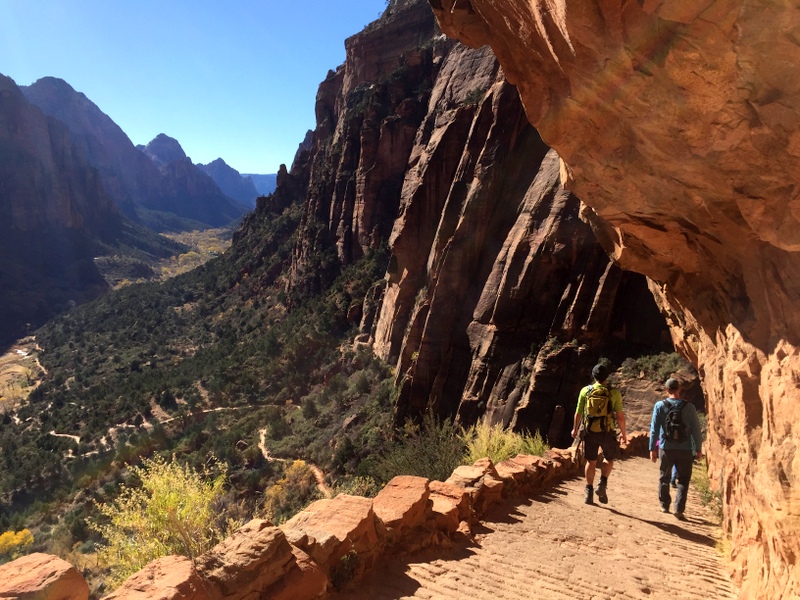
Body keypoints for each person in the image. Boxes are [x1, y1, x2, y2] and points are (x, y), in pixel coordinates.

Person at [571, 363, 627, 505]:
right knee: (609, 458)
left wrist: (575, 429)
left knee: (591, 461)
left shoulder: (586, 391)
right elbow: (620, 416)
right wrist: (624, 434)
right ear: (606, 377)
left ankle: (588, 492)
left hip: (590, 431)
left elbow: (578, 412)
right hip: (608, 432)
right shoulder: (614, 393)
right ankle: (602, 483)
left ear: (594, 376)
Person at [649, 378, 703, 520]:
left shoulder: (660, 406)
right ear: (679, 389)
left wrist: (652, 449)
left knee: (664, 477)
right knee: (684, 479)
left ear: (667, 390)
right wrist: (698, 448)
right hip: (685, 449)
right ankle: (679, 509)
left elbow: (654, 429)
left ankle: (664, 505)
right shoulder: (689, 407)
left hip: (666, 448)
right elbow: (696, 430)